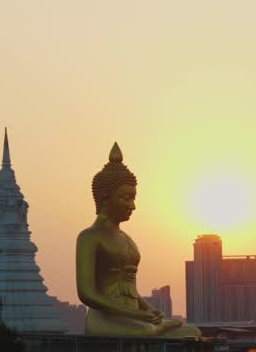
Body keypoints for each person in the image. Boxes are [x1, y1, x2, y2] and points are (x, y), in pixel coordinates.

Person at [76, 143, 201, 337]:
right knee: (145, 331)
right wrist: (136, 315)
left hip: (135, 319)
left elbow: (129, 288)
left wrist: (148, 310)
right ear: (105, 197)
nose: (132, 206)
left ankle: (157, 327)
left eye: (133, 198)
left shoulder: (126, 238)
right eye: (125, 198)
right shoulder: (89, 238)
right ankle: (156, 328)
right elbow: (87, 293)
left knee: (192, 331)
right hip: (104, 319)